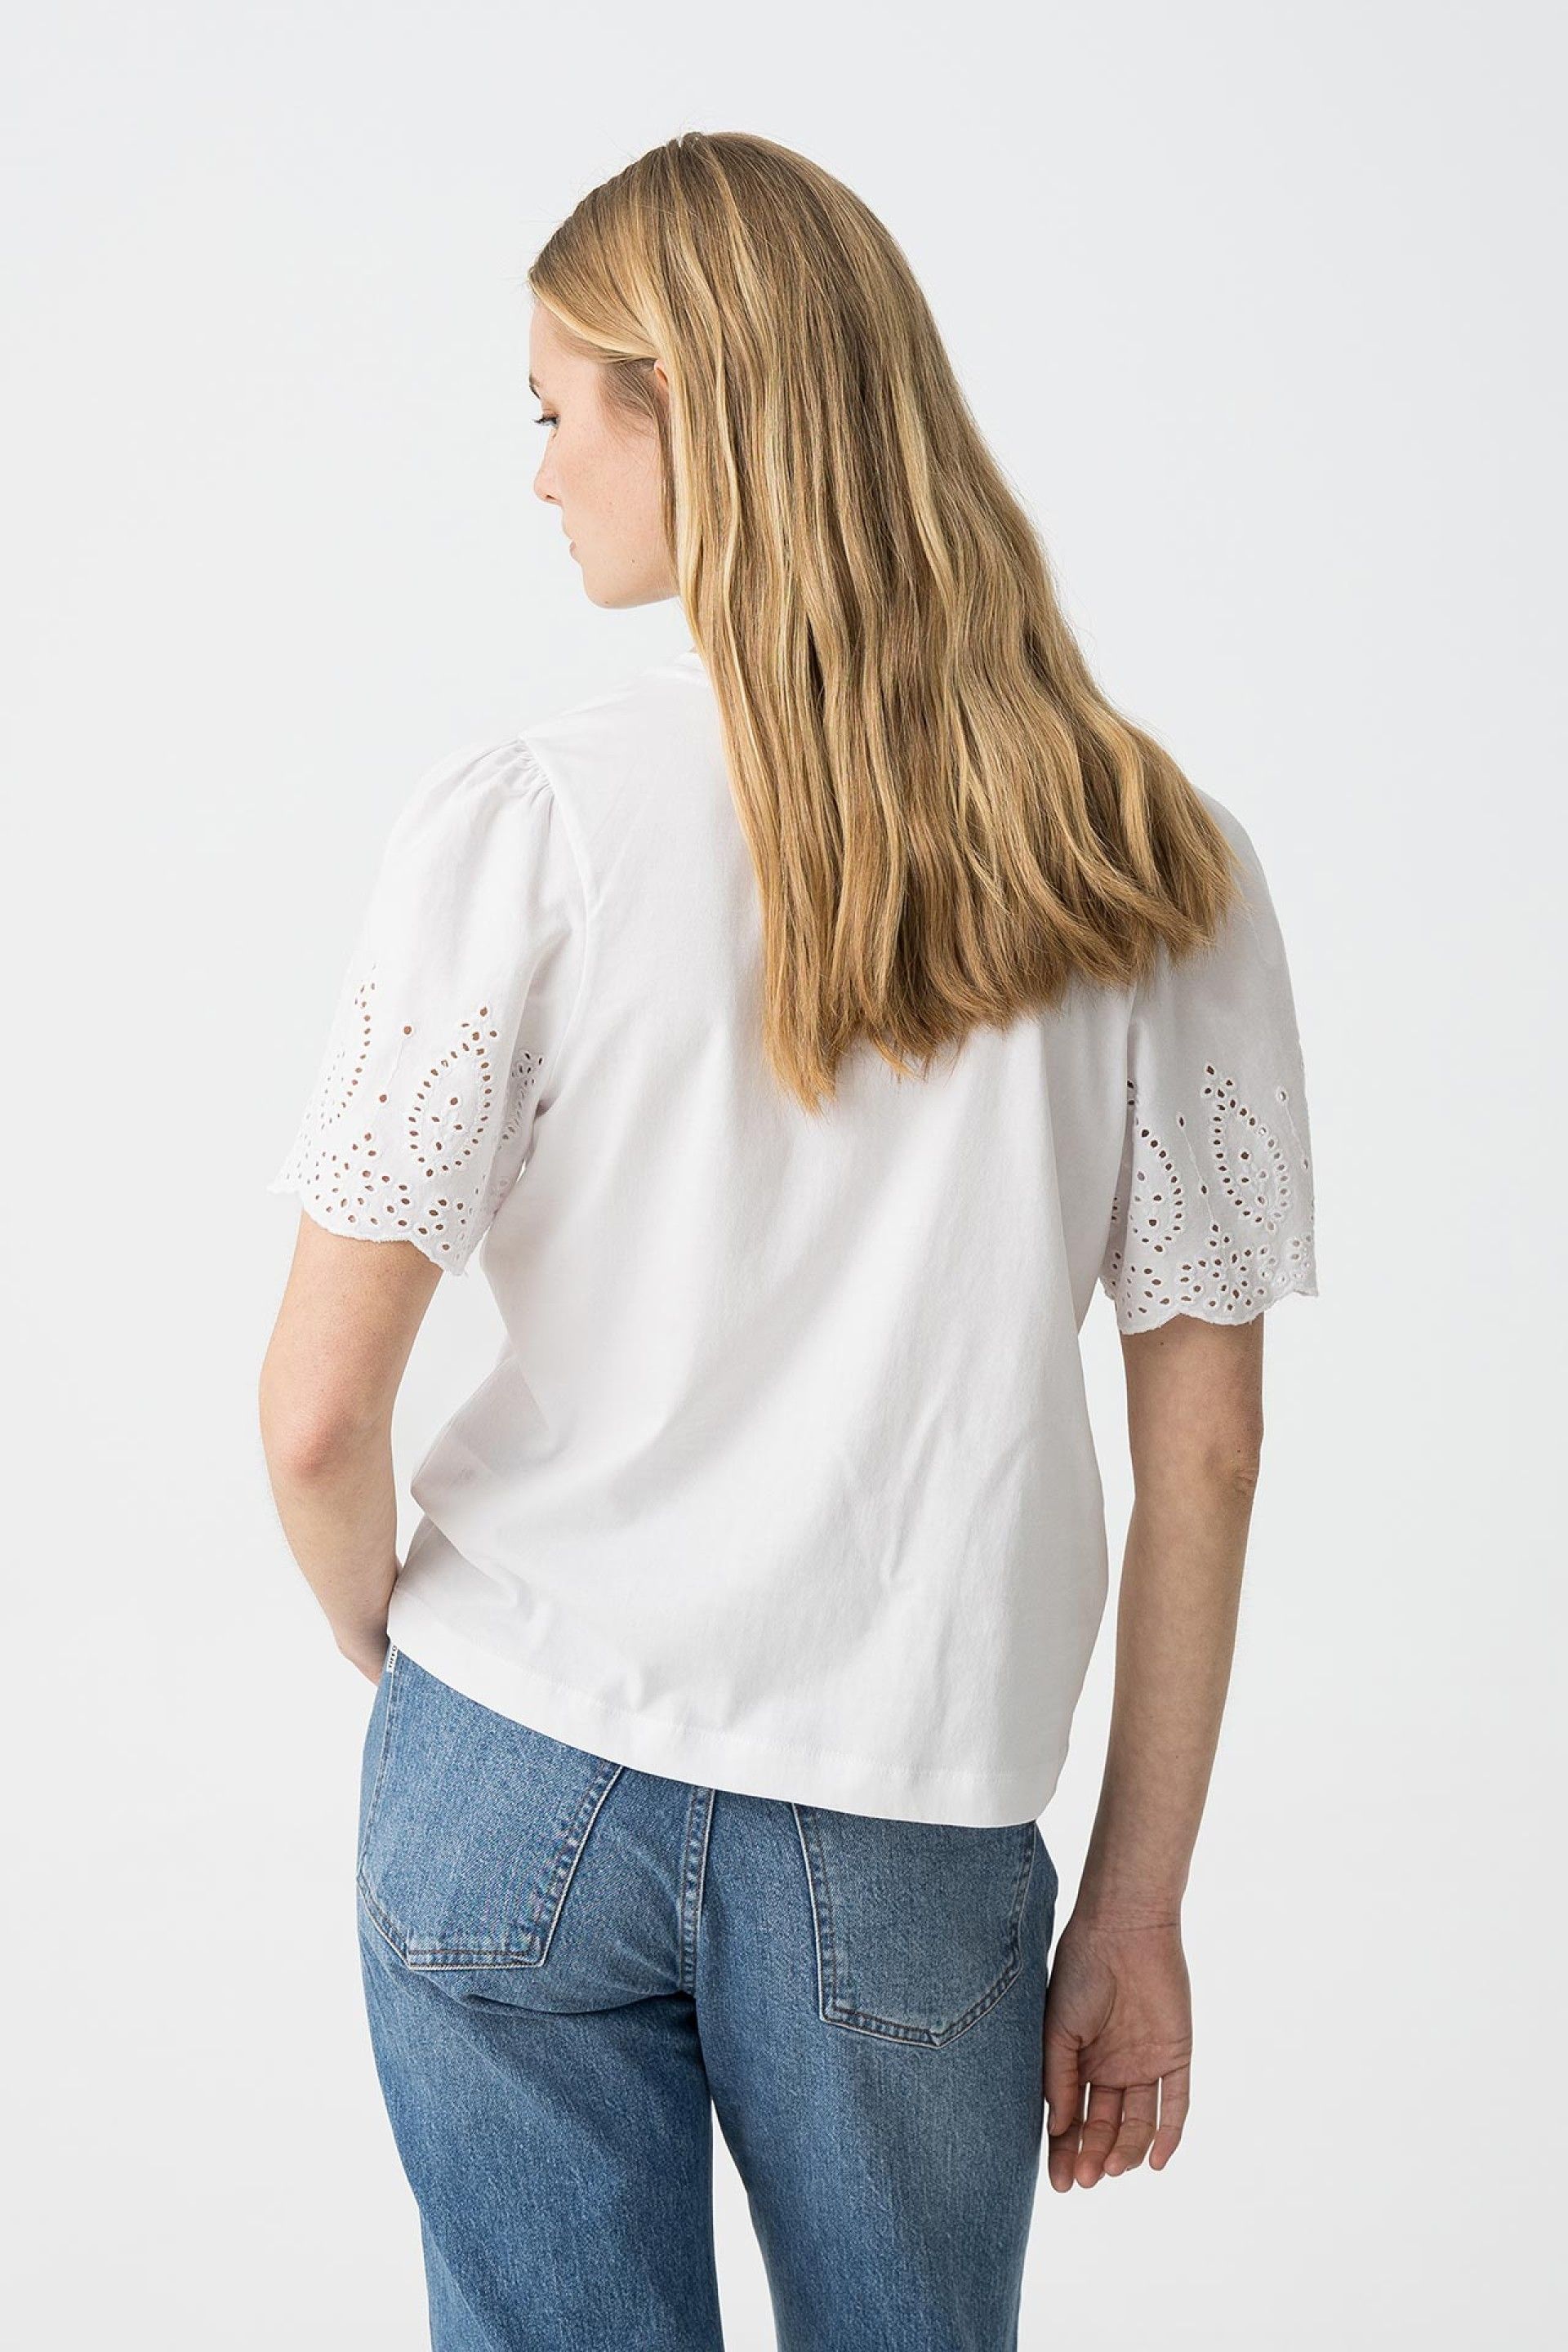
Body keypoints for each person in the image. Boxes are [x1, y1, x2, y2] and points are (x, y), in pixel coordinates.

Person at [258, 131, 1318, 2352]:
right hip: (908, 1816)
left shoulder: (529, 823)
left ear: (690, 410)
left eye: (560, 410)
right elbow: (1206, 1453)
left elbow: (318, 1413)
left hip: (512, 1749)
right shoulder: (1155, 870)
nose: (541, 474)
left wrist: (400, 1647)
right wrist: (1136, 1906)